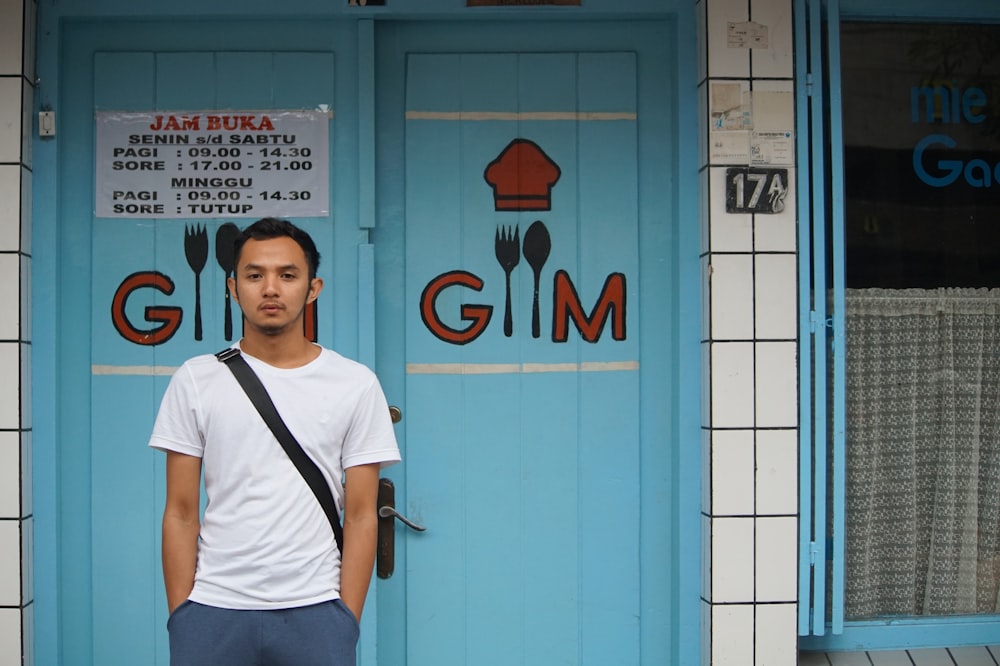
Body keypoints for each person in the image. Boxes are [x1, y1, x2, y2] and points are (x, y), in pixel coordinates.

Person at [149, 218, 400, 665]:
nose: (270, 288)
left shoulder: (355, 384)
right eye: (254, 275)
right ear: (233, 287)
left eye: (287, 275)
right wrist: (183, 616)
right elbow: (181, 512)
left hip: (317, 610)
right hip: (213, 607)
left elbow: (362, 514)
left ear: (313, 287)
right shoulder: (196, 380)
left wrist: (346, 618)